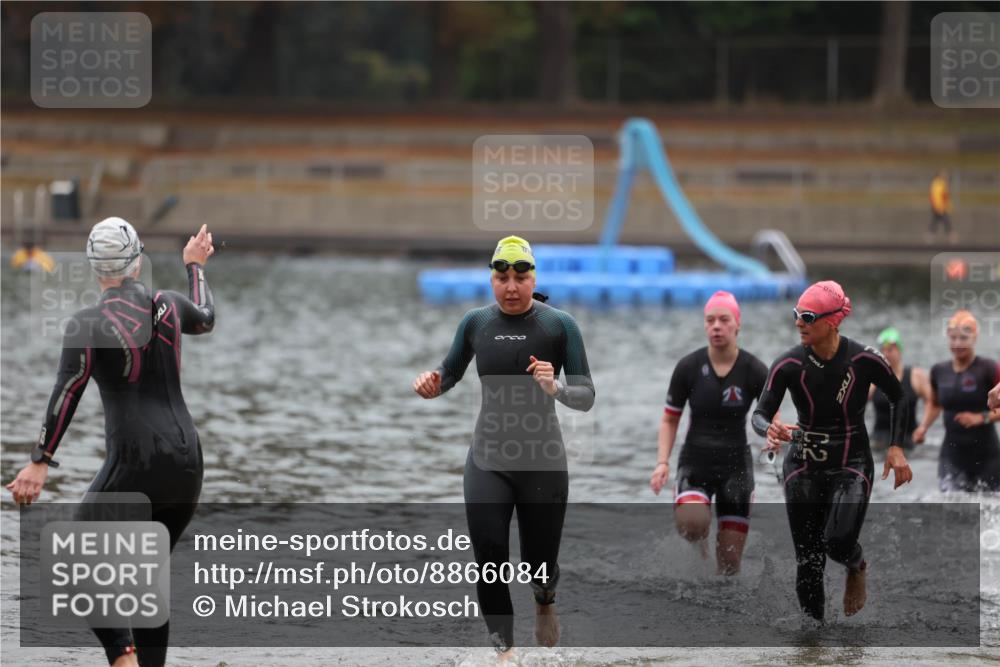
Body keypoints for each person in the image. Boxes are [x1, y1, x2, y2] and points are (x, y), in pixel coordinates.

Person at [7, 218, 216, 667]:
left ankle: (124, 660)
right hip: (187, 466)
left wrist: (40, 460)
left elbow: (68, 391)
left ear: (93, 268)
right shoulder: (171, 305)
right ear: (137, 263)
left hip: (136, 464)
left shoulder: (87, 323)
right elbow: (207, 316)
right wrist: (194, 266)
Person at [412, 236, 594, 658]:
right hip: (487, 459)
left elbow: (586, 396)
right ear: (492, 279)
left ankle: (544, 601)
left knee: (540, 567)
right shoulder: (476, 323)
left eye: (520, 277)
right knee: (490, 558)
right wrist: (428, 384)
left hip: (543, 463)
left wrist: (557, 387)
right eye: (502, 277)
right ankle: (504, 654)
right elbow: (447, 374)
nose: (511, 286)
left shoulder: (559, 325)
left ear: (534, 278)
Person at [750, 280, 912, 621]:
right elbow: (759, 415)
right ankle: (814, 646)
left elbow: (898, 396)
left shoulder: (865, 359)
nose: (798, 323)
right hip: (802, 466)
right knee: (809, 563)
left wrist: (896, 447)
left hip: (851, 463)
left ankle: (857, 566)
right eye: (796, 315)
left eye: (807, 316)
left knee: (837, 542)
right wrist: (771, 429)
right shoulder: (788, 364)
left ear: (832, 321)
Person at [649, 291, 768, 575]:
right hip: (696, 460)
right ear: (704, 325)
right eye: (710, 320)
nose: (716, 326)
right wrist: (662, 463)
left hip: (736, 466)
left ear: (737, 324)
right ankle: (700, 537)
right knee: (692, 525)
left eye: (724, 319)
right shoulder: (688, 367)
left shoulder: (754, 370)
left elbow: (769, 417)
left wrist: (772, 436)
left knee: (729, 567)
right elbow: (669, 420)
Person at [913, 310, 1000, 492]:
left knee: (990, 510)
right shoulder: (939, 370)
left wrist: (980, 418)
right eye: (953, 338)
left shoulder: (989, 369)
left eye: (963, 338)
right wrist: (923, 427)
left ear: (974, 338)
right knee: (951, 505)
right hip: (952, 455)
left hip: (987, 455)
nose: (958, 343)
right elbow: (935, 404)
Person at [866, 327, 930, 452]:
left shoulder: (916, 376)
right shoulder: (872, 379)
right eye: (883, 350)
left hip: (910, 440)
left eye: (890, 349)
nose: (886, 354)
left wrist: (923, 427)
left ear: (899, 350)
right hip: (879, 442)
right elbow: (855, 406)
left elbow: (932, 402)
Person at [928, 170, 956, 244]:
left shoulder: (940, 183)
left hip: (940, 206)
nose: (946, 176)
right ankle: (950, 234)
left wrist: (948, 205)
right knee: (945, 220)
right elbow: (936, 196)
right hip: (939, 206)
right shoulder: (937, 183)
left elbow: (945, 196)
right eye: (944, 175)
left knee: (936, 220)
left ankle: (931, 234)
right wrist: (937, 206)